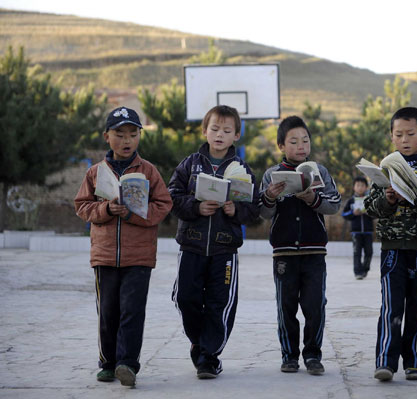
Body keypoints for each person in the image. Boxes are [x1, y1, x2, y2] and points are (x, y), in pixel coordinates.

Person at [74, 106, 173, 387]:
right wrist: (106, 209)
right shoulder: (95, 173)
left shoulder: (149, 171)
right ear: (107, 136)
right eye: (119, 134)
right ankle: (107, 363)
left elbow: (164, 205)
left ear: (139, 137)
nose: (126, 140)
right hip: (104, 256)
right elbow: (82, 206)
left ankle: (127, 364)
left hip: (139, 256)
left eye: (133, 134)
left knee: (132, 310)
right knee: (107, 311)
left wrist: (132, 213)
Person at [168, 105, 260, 379]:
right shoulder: (189, 164)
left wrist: (236, 212)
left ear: (236, 136)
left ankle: (209, 357)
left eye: (227, 130)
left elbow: (253, 209)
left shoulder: (242, 170)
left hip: (224, 249)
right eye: (215, 129)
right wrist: (196, 207)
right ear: (204, 130)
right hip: (192, 245)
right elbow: (172, 197)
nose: (220, 134)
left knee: (221, 303)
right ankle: (199, 342)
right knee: (185, 297)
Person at [365, 107, 417, 382]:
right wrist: (388, 200)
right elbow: (370, 206)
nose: (404, 139)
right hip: (392, 248)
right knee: (391, 306)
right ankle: (385, 362)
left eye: (410, 134)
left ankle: (415, 362)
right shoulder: (386, 167)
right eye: (398, 134)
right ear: (391, 136)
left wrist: (412, 196)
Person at [260, 115, 341, 375]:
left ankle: (313, 355)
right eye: (293, 141)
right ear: (281, 145)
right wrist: (270, 197)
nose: (301, 146)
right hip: (283, 252)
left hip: (314, 251)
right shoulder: (271, 175)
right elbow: (262, 213)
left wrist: (312, 198)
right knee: (286, 307)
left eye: (305, 140)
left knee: (315, 304)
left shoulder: (320, 172)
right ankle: (289, 356)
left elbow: (334, 204)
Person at [341, 176, 374, 279]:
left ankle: (365, 269)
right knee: (357, 252)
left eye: (362, 185)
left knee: (369, 252)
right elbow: (344, 214)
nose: (360, 188)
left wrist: (368, 212)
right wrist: (353, 213)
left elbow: (376, 214)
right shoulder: (351, 201)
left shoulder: (369, 200)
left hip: (368, 231)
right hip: (356, 232)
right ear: (354, 187)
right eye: (358, 185)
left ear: (366, 187)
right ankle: (358, 272)